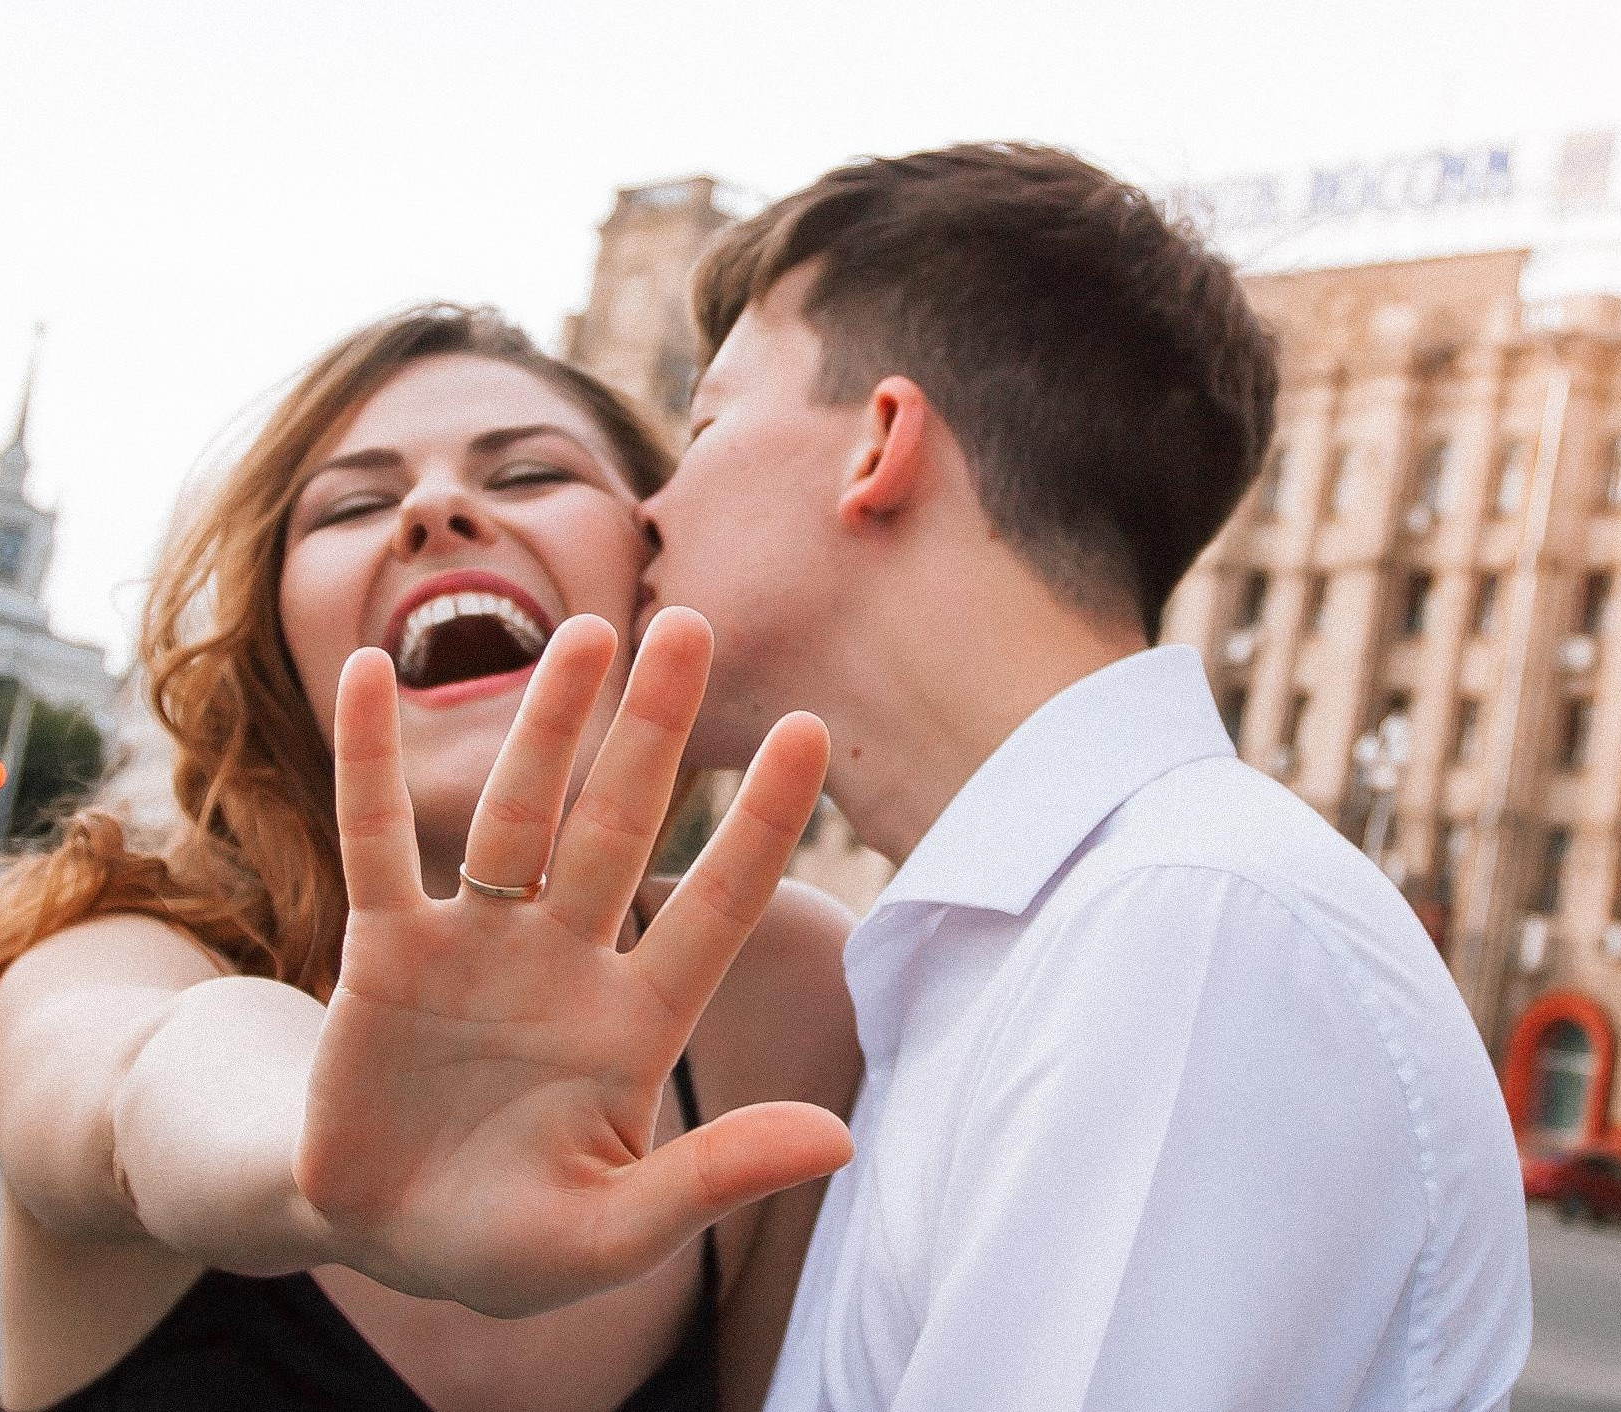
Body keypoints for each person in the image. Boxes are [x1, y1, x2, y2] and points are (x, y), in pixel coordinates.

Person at [635, 143, 1534, 1409]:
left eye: (704, 427)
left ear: (878, 443)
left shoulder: (1184, 921)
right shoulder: (1017, 938)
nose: (649, 510)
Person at [0, 305, 861, 1412]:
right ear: (280, 638)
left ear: (654, 568)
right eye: (356, 502)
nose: (434, 507)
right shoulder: (112, 951)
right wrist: (327, 1152)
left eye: (526, 472)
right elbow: (145, 1078)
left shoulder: (787, 987)